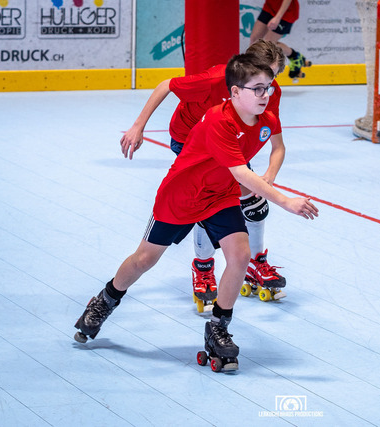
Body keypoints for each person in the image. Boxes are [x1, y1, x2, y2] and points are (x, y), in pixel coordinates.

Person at [74, 53, 319, 372]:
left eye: (269, 87)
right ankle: (105, 300)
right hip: (183, 195)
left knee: (240, 256)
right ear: (235, 92)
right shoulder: (219, 120)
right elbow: (242, 173)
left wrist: (270, 176)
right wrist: (286, 201)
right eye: (257, 89)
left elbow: (273, 150)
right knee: (144, 260)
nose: (266, 95)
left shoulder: (267, 119)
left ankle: (218, 327)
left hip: (220, 196)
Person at [119, 40, 288, 311]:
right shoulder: (215, 79)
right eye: (261, 77)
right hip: (189, 140)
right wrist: (138, 126)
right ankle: (203, 266)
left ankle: (253, 262)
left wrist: (269, 174)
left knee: (255, 205)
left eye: (272, 77)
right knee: (210, 200)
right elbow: (166, 85)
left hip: (230, 142)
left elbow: (274, 138)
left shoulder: (269, 91)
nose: (266, 85)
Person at [249, 0, 311, 81]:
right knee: (254, 39)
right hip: (270, 6)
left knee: (268, 44)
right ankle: (251, 73)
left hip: (286, 12)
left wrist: (278, 17)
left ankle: (294, 56)